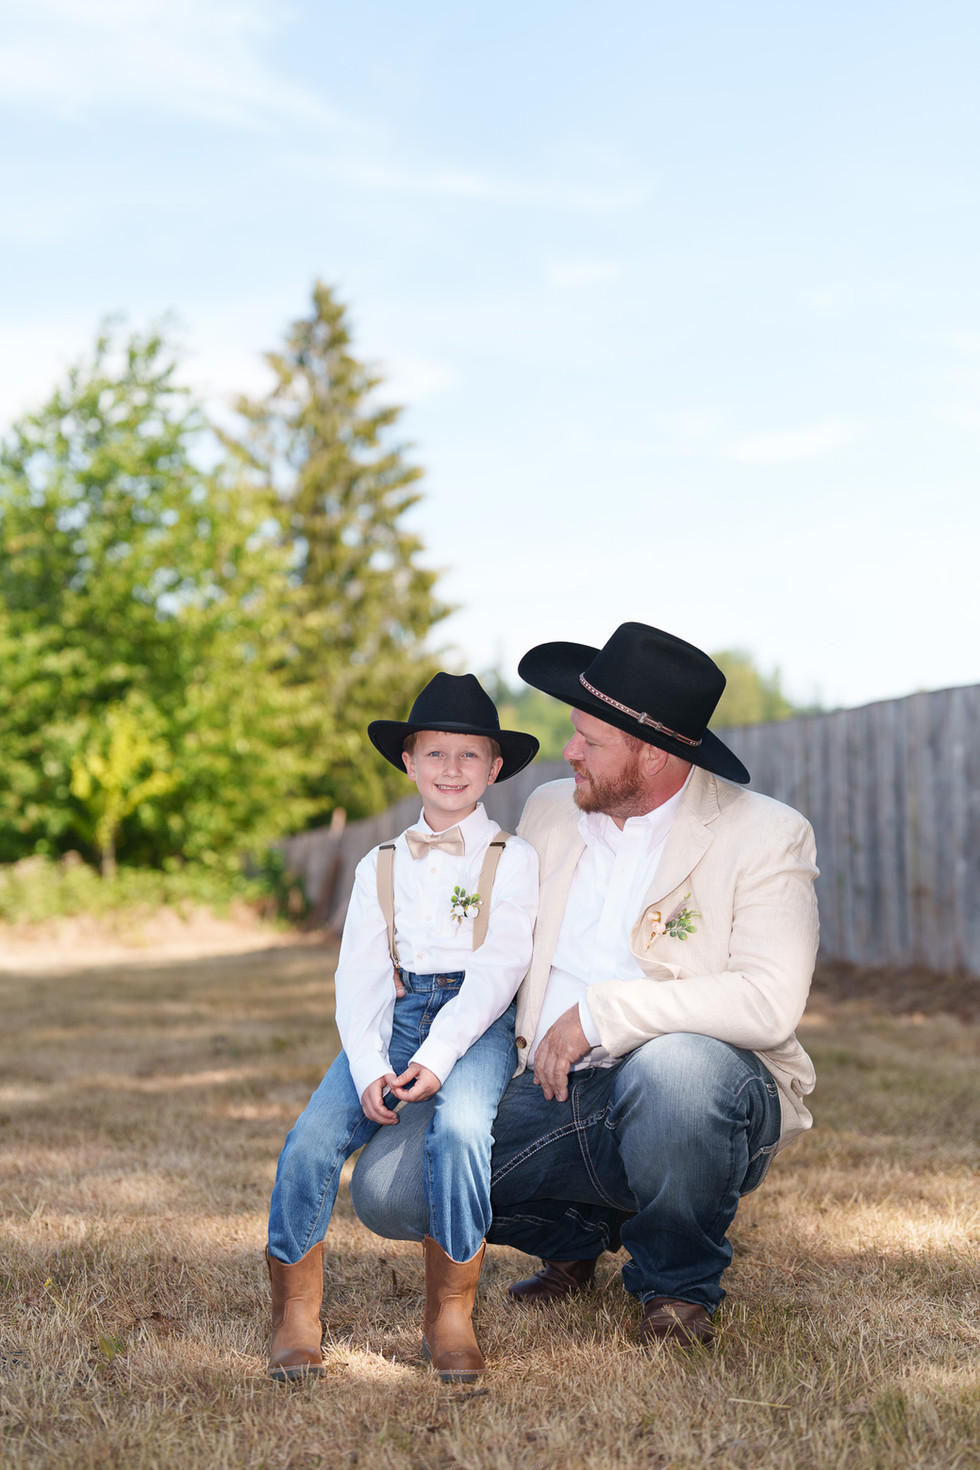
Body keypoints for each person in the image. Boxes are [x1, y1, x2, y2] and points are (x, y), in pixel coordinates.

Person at [349, 622, 818, 1348]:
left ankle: (677, 1287)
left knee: (676, 1072)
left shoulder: (765, 834)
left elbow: (769, 997)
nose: (569, 751)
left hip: (694, 1095)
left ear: (654, 753)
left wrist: (601, 1014)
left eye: (590, 742)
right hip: (555, 1089)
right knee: (388, 1189)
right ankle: (574, 1235)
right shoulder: (548, 811)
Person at [265, 673, 539, 1381]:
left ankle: (449, 1314)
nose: (452, 770)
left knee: (458, 1128)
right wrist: (367, 1069)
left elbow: (500, 969)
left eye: (470, 756)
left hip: (475, 1020)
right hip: (393, 1013)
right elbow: (357, 979)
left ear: (495, 767)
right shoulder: (377, 864)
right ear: (408, 763)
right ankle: (295, 1315)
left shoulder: (513, 859)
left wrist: (441, 1055)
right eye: (436, 754)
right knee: (310, 1140)